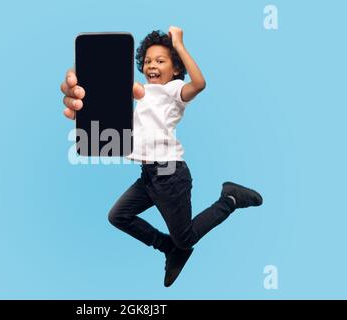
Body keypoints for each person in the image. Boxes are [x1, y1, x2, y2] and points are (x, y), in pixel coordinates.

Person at [60, 26, 263, 287]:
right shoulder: (144, 93)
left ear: (176, 68)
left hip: (170, 174)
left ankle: (230, 199)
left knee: (186, 239)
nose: (151, 65)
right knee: (118, 216)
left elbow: (199, 84)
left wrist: (178, 44)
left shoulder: (174, 91)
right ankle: (168, 248)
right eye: (147, 61)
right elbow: (116, 90)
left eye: (160, 60)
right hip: (149, 175)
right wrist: (85, 83)